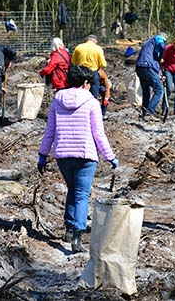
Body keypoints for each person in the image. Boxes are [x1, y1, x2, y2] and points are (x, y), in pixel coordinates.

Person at [37, 65, 118, 253]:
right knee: (82, 194)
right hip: (85, 155)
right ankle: (77, 236)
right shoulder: (92, 103)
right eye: (90, 83)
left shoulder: (57, 100)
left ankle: (68, 228)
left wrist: (42, 155)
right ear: (85, 83)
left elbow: (50, 131)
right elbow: (98, 134)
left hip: (63, 155)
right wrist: (110, 157)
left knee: (72, 190)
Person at [136, 32, 167, 119]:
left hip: (140, 67)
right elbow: (161, 45)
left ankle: (144, 112)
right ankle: (149, 113)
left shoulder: (149, 45)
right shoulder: (157, 38)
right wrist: (162, 56)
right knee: (159, 90)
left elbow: (154, 64)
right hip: (147, 67)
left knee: (146, 92)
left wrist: (159, 75)